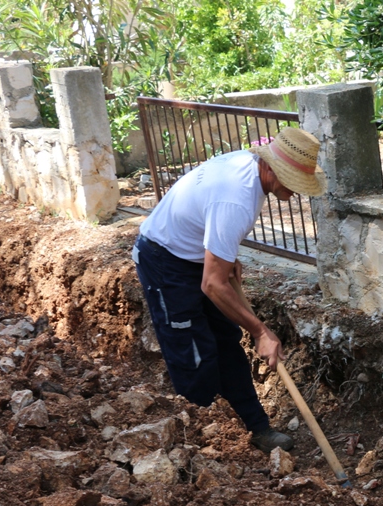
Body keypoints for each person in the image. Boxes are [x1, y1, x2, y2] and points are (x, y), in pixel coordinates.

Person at [131, 127, 327, 453]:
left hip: (194, 256)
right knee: (195, 355)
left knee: (227, 344)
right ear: (270, 167)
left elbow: (210, 223)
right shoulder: (237, 197)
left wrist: (228, 256)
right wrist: (261, 331)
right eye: (291, 180)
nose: (294, 192)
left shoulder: (247, 171)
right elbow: (212, 283)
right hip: (164, 261)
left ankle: (257, 428)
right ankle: (202, 447)